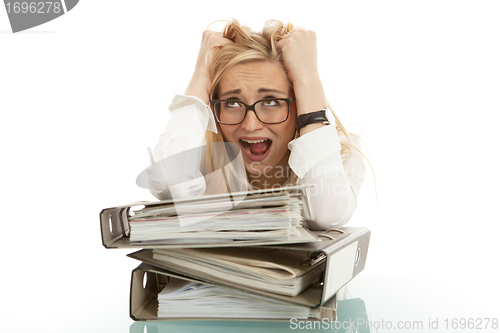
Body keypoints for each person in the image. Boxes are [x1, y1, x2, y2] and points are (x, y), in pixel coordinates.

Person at [147, 19, 366, 230]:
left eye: (270, 101)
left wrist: (308, 81)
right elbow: (167, 181)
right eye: (232, 102)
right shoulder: (200, 157)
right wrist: (202, 75)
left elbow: (325, 216)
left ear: (299, 105)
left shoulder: (342, 154)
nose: (250, 125)